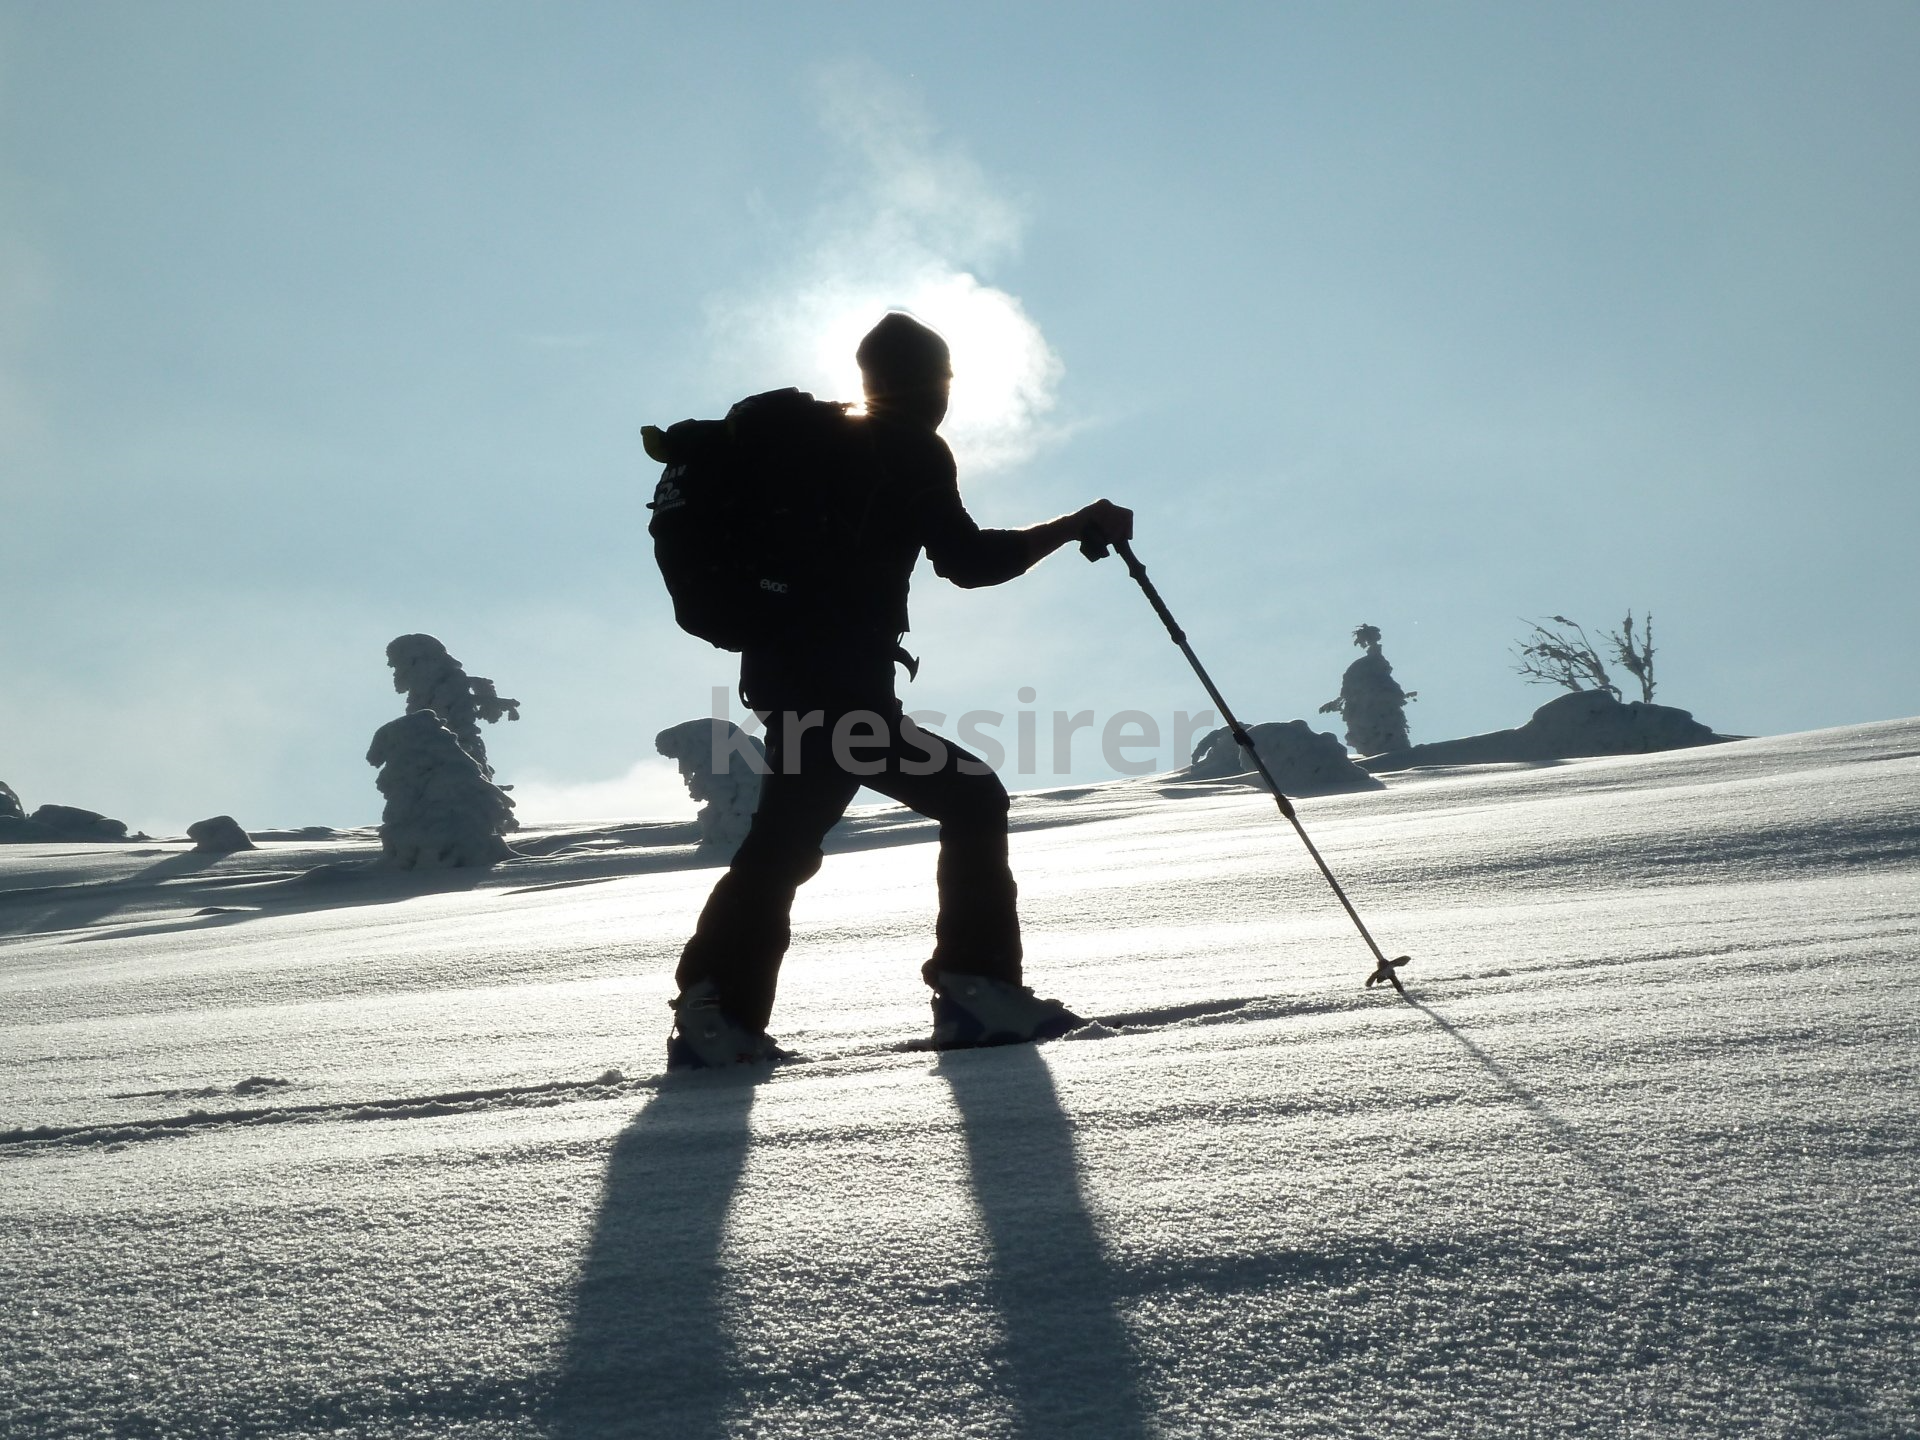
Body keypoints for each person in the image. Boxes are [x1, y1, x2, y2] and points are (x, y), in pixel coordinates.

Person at [668, 311, 1132, 1069]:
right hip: (841, 687)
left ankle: (716, 1013)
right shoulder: (906, 447)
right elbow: (970, 560)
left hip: (786, 679)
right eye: (943, 380)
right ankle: (976, 992)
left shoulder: (823, 449)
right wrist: (1075, 524)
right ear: (934, 383)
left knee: (784, 844)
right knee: (970, 797)